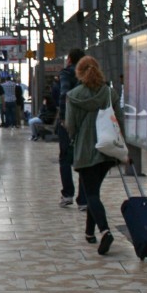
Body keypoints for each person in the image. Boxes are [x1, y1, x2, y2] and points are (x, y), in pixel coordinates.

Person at [65, 55, 127, 255]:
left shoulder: (73, 95)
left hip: (85, 149)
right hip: (107, 150)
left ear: (79, 72)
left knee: (91, 193)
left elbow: (71, 125)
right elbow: (119, 119)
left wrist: (74, 138)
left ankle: (105, 231)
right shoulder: (109, 93)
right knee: (93, 191)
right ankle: (89, 232)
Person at [55, 48, 86, 209]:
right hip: (85, 121)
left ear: (69, 59)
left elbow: (64, 95)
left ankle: (67, 194)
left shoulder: (67, 73)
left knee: (65, 157)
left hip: (69, 121)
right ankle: (84, 199)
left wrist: (63, 117)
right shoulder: (88, 73)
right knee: (84, 158)